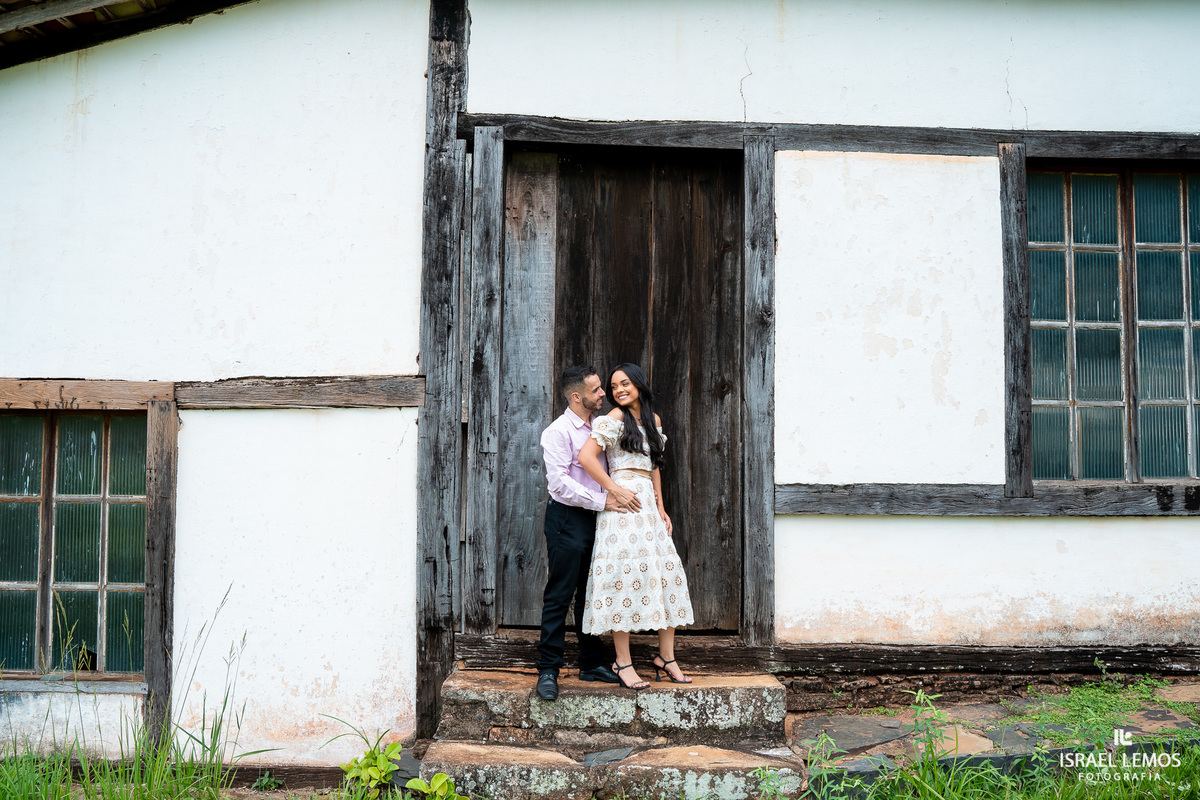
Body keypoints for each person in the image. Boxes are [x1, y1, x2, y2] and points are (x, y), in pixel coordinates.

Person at [577, 363, 695, 691]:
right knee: (623, 580)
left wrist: (662, 507)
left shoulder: (653, 421)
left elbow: (654, 466)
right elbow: (587, 457)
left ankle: (666, 658)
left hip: (648, 508)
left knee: (665, 574)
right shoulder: (613, 419)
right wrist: (613, 490)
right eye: (614, 387)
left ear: (639, 384)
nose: (618, 391)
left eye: (624, 383)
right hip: (623, 507)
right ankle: (623, 662)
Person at [536, 365, 643, 701]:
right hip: (567, 518)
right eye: (597, 390)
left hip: (599, 518)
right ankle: (549, 670)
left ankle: (590, 663)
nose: (603, 395)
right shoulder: (557, 432)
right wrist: (603, 499)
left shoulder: (602, 425)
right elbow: (559, 484)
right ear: (576, 396)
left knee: (591, 592)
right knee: (560, 593)